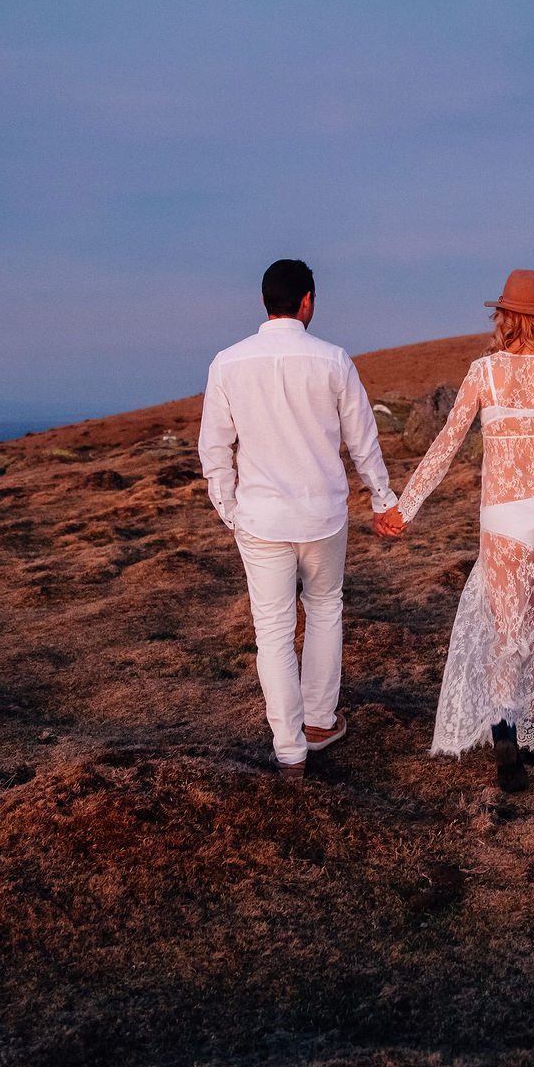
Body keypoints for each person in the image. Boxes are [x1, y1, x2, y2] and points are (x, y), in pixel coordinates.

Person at [376, 269, 534, 791]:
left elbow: (446, 446)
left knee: (507, 631)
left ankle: (504, 726)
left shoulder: (483, 372)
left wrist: (404, 510)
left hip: (504, 519)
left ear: (503, 316)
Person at [198, 259, 399, 780]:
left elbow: (214, 449)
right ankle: (319, 722)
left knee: (273, 632)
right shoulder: (334, 361)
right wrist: (383, 499)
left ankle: (289, 750)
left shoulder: (227, 362)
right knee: (326, 609)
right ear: (307, 300)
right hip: (324, 515)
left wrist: (231, 512)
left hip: (260, 520)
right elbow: (362, 440)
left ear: (264, 302)